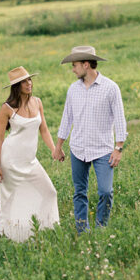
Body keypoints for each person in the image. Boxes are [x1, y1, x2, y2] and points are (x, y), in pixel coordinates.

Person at [56, 45, 127, 233]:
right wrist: (59, 146)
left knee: (106, 191)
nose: (73, 69)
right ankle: (82, 231)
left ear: (86, 65)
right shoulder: (73, 90)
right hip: (78, 149)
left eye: (75, 65)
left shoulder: (110, 88)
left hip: (102, 149)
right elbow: (66, 118)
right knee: (80, 192)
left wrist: (118, 148)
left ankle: (101, 228)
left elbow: (120, 119)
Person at [0, 66, 64, 241]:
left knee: (50, 192)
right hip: (11, 160)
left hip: (30, 161)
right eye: (23, 81)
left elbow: (44, 130)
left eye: (29, 80)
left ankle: (46, 230)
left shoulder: (37, 102)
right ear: (16, 86)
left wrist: (54, 150)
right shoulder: (7, 108)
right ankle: (10, 235)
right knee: (10, 199)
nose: (28, 83)